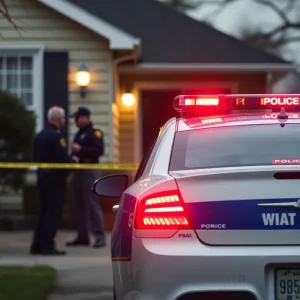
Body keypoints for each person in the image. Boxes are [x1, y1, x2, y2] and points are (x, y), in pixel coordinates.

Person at [30, 106, 78, 256]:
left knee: (43, 212)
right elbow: (62, 159)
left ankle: (36, 245)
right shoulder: (57, 137)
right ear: (58, 119)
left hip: (42, 178)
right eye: (63, 118)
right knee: (53, 213)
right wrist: (74, 162)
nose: (64, 121)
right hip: (55, 180)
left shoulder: (40, 135)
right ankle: (48, 246)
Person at [66, 106, 106, 248]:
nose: (75, 121)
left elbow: (99, 150)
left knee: (92, 203)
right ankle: (82, 236)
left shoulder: (95, 133)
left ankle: (99, 236)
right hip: (79, 171)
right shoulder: (79, 134)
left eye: (77, 118)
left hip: (90, 170)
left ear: (85, 118)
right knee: (79, 205)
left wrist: (81, 150)